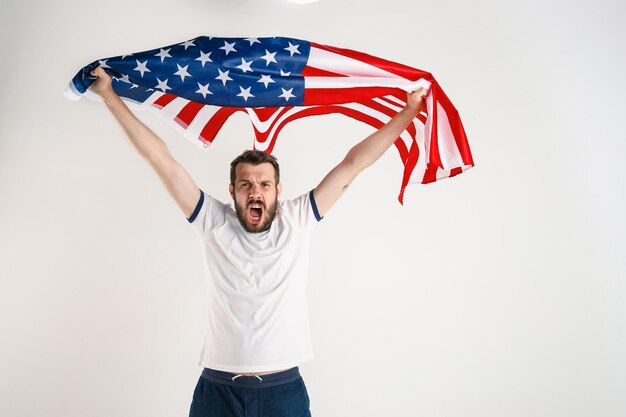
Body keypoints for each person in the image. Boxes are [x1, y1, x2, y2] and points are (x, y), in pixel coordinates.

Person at [89, 66, 427, 417]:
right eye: (246, 184)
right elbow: (160, 158)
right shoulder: (211, 219)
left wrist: (408, 111)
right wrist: (109, 96)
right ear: (232, 191)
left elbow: (354, 163)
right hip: (217, 393)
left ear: (278, 191)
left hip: (283, 394)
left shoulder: (297, 219)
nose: (256, 191)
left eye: (265, 184)